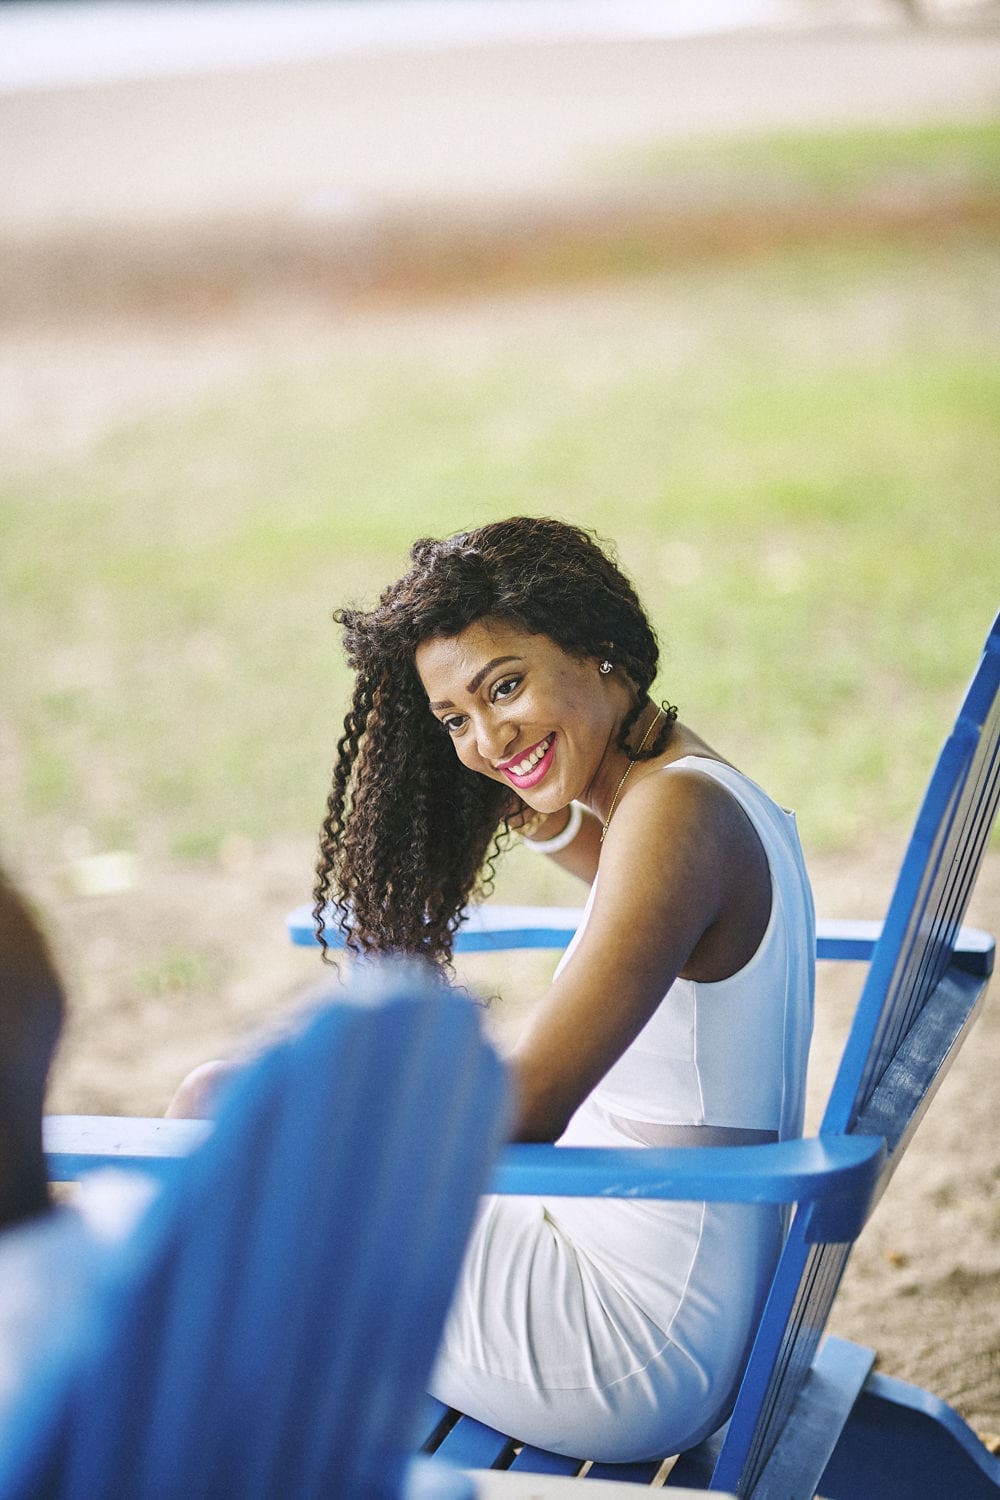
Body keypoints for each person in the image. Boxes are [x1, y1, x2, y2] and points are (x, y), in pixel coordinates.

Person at [309, 515, 816, 1463]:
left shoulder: (675, 821)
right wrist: (497, 770)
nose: (486, 735)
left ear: (600, 648)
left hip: (627, 1342)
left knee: (230, 1142)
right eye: (453, 720)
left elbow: (528, 1106)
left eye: (508, 686)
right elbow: (583, 838)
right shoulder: (686, 792)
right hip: (629, 1263)